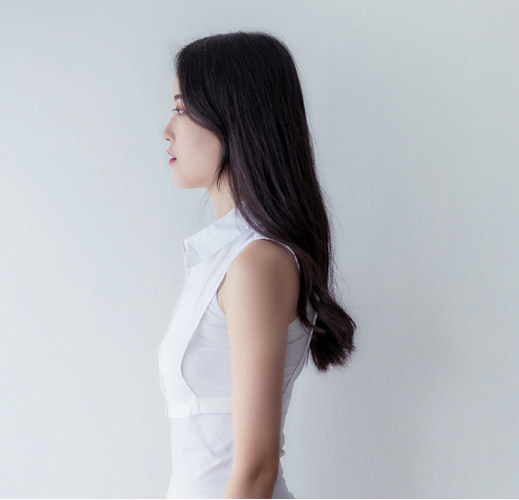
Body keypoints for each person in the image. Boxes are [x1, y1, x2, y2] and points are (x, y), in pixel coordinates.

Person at [158, 31, 356, 498]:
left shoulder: (257, 264)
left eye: (182, 109)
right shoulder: (222, 262)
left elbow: (256, 469)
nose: (167, 129)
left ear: (234, 116)